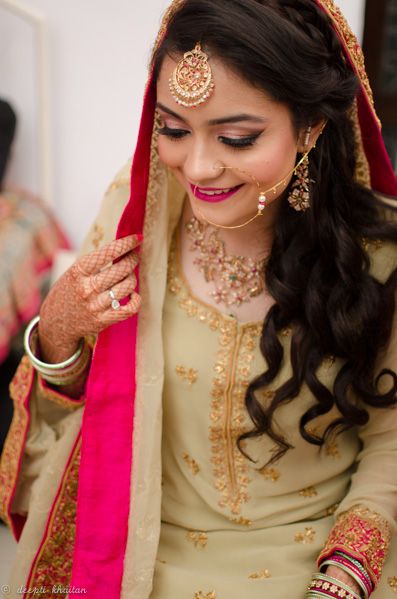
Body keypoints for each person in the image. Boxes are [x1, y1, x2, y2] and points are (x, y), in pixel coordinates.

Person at [1, 0, 396, 597]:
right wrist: (55, 334)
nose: (200, 167)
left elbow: (390, 441)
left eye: (237, 137)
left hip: (327, 560)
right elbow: (86, 409)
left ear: (311, 128)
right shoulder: (138, 220)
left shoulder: (379, 255)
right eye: (173, 129)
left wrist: (345, 574)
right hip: (141, 558)